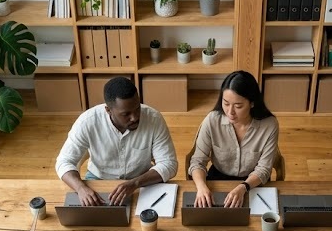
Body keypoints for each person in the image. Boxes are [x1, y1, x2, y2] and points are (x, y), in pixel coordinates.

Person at [55, 76, 177, 206]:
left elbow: (169, 164)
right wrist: (80, 188)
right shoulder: (87, 122)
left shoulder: (154, 119)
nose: (134, 118)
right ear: (108, 110)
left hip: (142, 180)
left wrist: (135, 183)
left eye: (137, 109)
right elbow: (64, 162)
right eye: (126, 114)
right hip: (99, 178)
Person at [188, 70, 279, 208]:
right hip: (218, 178)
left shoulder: (269, 125)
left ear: (252, 103)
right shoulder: (212, 120)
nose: (230, 112)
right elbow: (197, 161)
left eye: (238, 106)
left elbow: (264, 169)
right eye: (225, 103)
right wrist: (201, 187)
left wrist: (243, 187)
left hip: (253, 182)